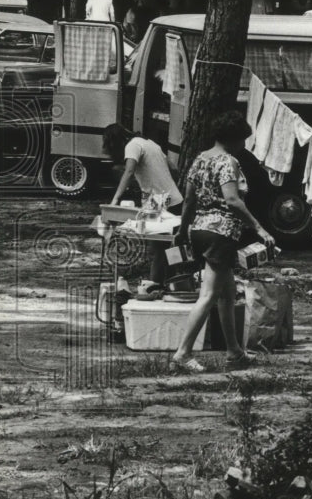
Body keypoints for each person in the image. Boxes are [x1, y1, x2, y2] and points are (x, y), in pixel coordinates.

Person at [170, 111, 276, 372]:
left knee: (227, 295)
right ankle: (182, 353)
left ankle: (234, 352)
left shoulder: (200, 159)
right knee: (208, 295)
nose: (243, 146)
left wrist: (183, 230)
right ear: (234, 139)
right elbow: (232, 200)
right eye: (242, 140)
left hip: (199, 230)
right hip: (221, 232)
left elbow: (189, 199)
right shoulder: (228, 162)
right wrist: (260, 228)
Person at [103, 124, 183, 285]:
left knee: (159, 250)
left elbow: (129, 171)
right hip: (175, 199)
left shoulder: (132, 145)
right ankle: (175, 283)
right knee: (172, 248)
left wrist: (115, 199)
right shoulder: (151, 143)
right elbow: (174, 169)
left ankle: (156, 286)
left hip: (159, 202)